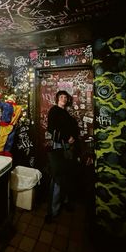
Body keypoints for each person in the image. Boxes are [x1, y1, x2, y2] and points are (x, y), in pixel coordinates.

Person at [45, 90, 80, 223]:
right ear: (57, 99)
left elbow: (69, 128)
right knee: (57, 178)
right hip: (59, 147)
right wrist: (66, 137)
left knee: (66, 175)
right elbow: (51, 128)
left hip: (67, 148)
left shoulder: (65, 112)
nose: (64, 99)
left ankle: (64, 202)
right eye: (61, 97)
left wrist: (72, 138)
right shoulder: (54, 110)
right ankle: (52, 211)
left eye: (66, 97)